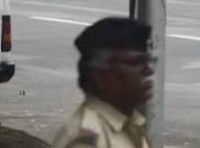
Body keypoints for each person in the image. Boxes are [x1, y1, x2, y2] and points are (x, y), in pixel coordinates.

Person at [52, 18, 154, 148]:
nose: (148, 70)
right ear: (101, 78)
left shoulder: (128, 125)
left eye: (149, 61)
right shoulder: (86, 141)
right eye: (135, 62)